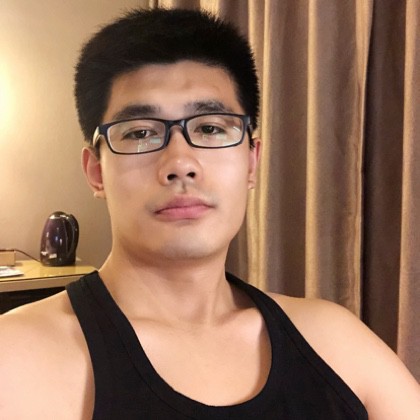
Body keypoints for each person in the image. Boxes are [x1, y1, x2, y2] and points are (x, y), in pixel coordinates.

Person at [0, 7, 419, 419]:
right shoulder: (18, 360)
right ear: (96, 172)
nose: (181, 163)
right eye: (140, 133)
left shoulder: (334, 342)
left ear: (251, 162)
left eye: (210, 128)